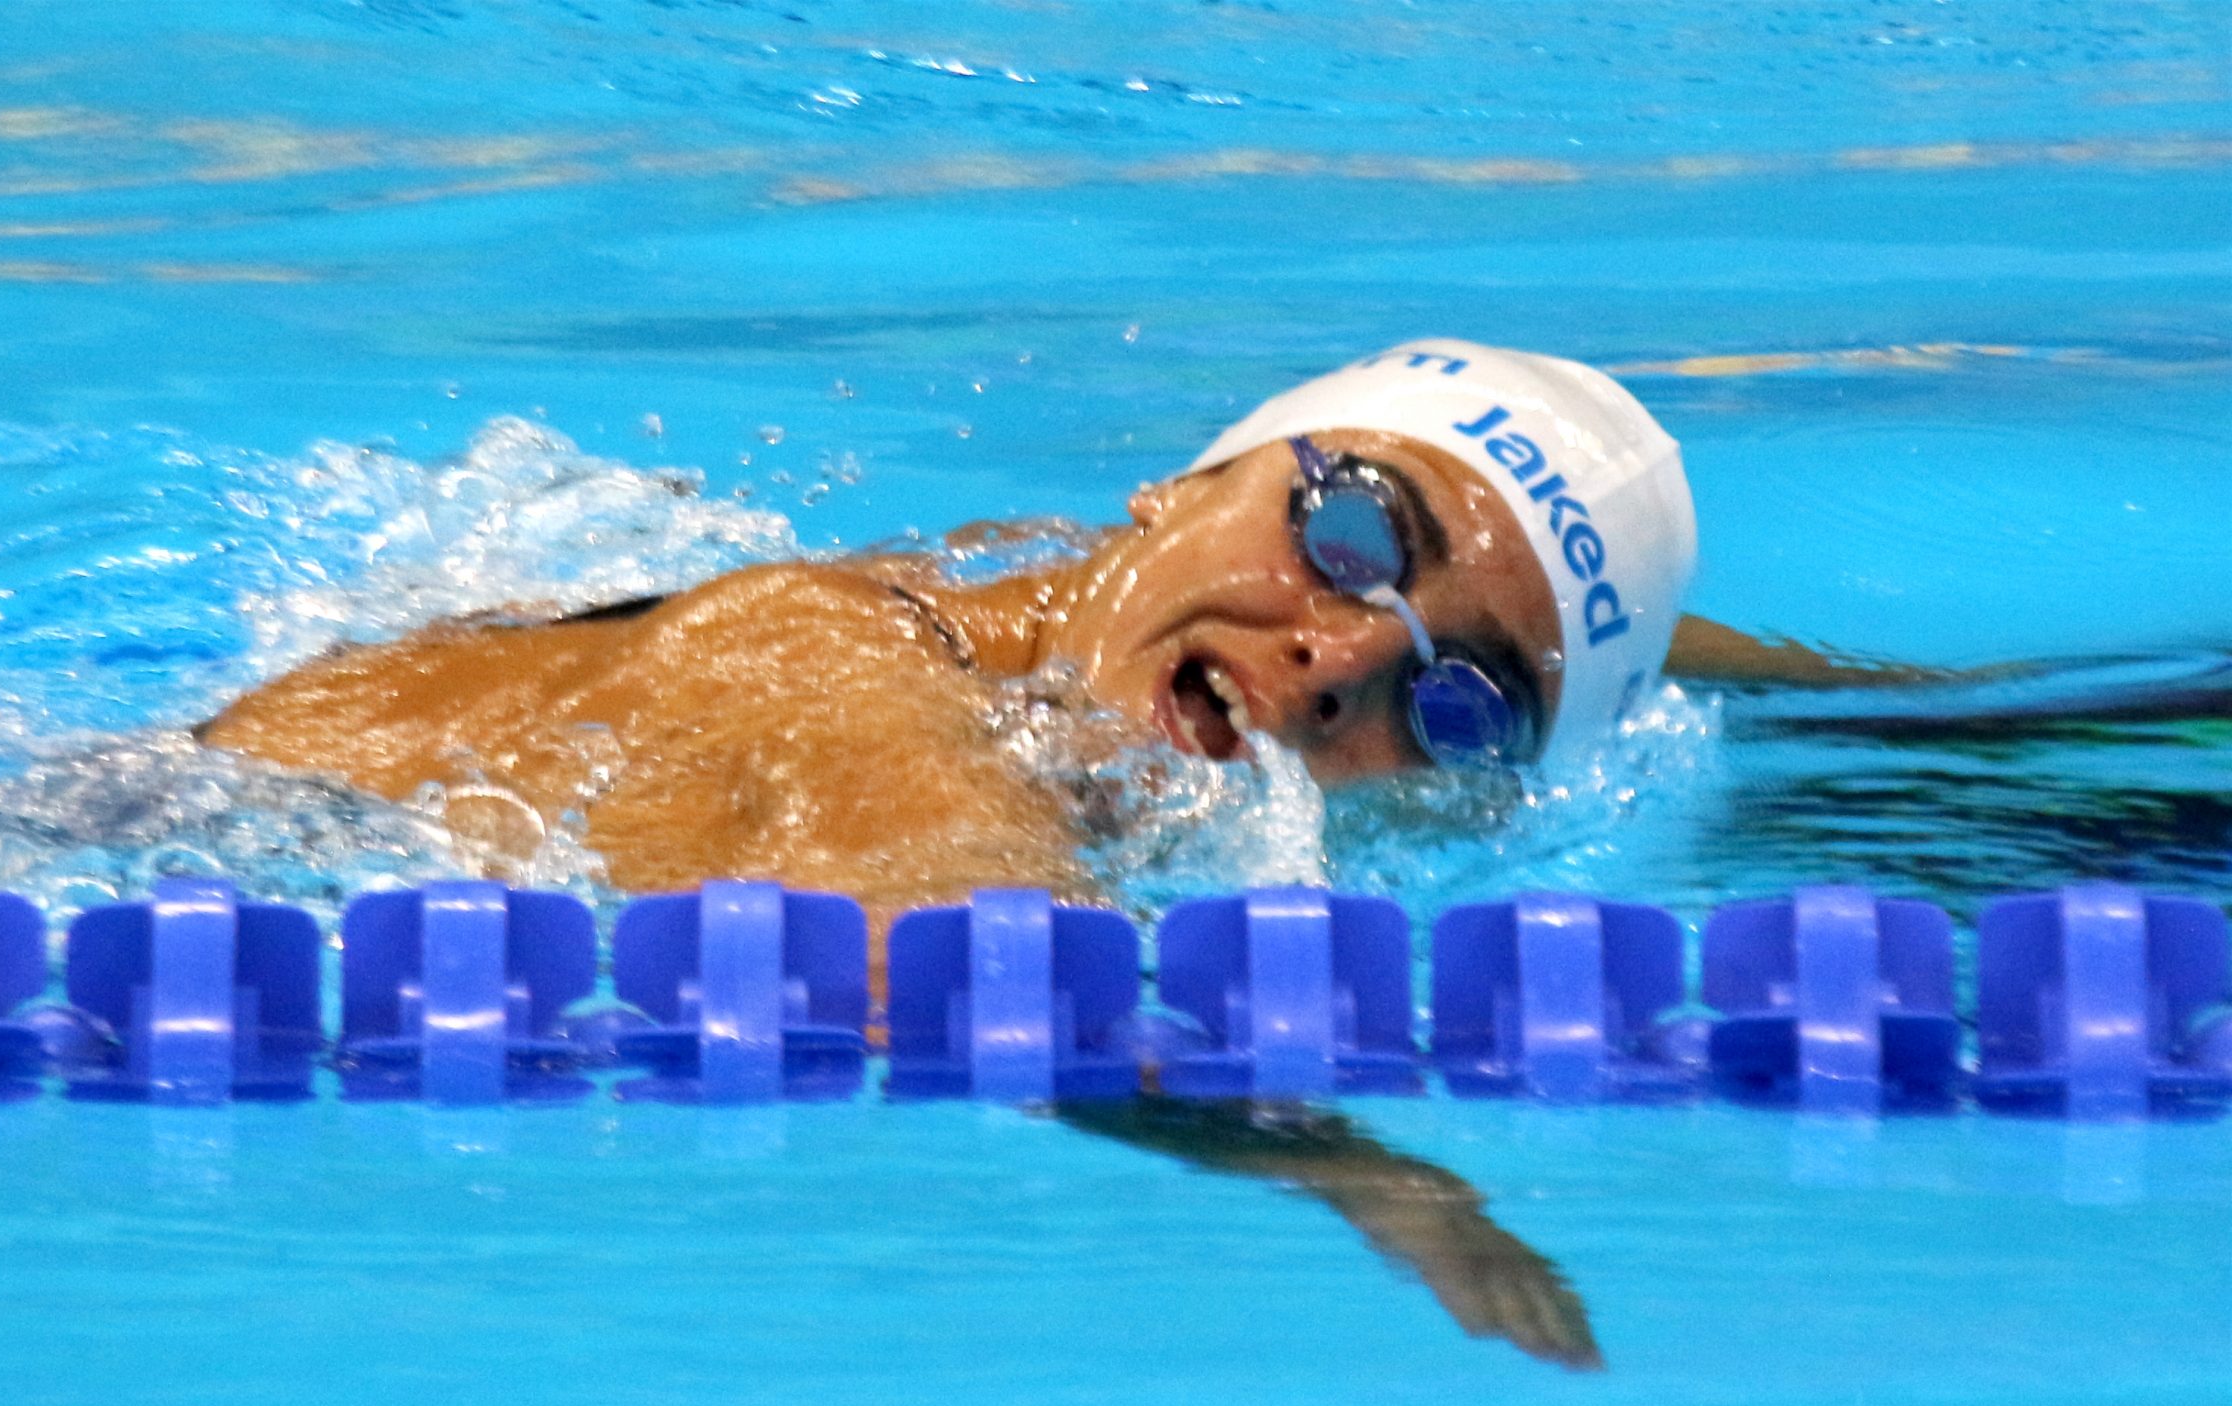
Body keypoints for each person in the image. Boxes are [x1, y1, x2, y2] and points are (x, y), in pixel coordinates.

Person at [204, 339, 1846, 934]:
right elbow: (990, 963)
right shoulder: (828, 663)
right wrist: (1346, 1170)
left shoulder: (1094, 604)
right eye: (1349, 539)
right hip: (148, 854)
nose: (1342, 664)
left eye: (1461, 709)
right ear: (1181, 484)